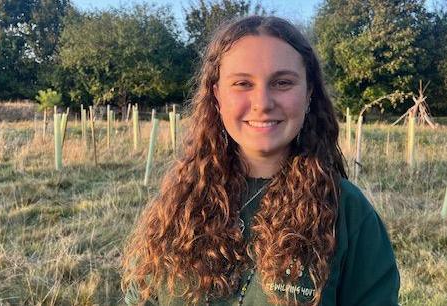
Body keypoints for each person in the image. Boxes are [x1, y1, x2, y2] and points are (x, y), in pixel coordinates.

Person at [120, 15, 400, 306]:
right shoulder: (180, 203)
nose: (262, 103)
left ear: (308, 94)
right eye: (242, 83)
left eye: (282, 82)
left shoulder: (347, 212)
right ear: (217, 96)